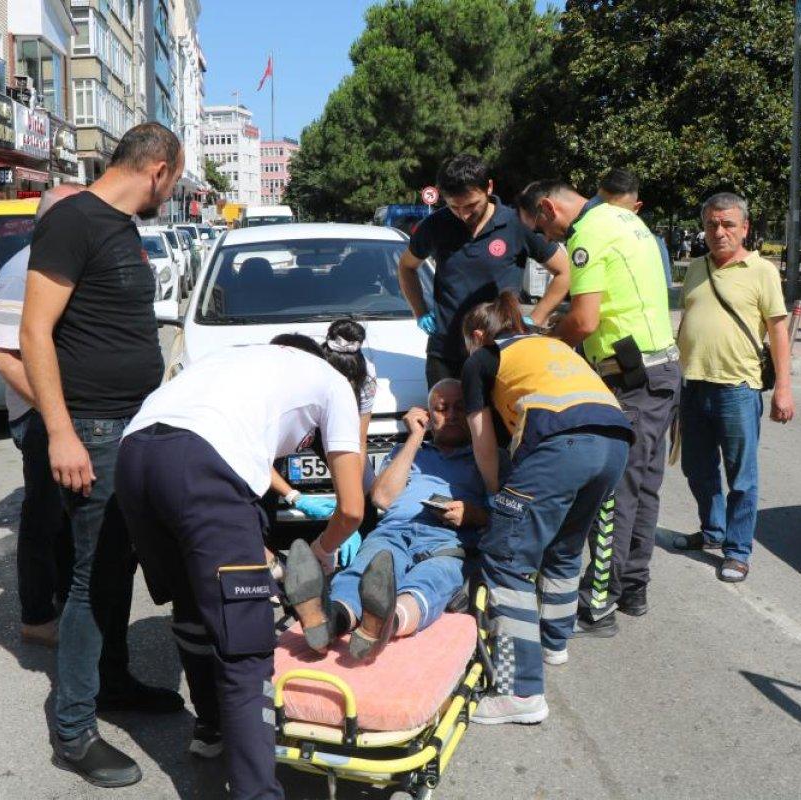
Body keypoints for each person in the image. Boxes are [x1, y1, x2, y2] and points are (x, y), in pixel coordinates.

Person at [115, 337, 366, 800]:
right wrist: (323, 551)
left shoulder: (235, 359)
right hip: (201, 469)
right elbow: (352, 508)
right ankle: (256, 793)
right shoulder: (335, 382)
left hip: (134, 456)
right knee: (246, 648)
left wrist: (290, 497)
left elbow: (219, 437)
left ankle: (211, 729)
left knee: (192, 604)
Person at [21, 123, 186, 787]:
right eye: (174, 181)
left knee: (117, 564)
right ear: (161, 169)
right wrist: (59, 432)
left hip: (131, 423)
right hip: (89, 427)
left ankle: (113, 682)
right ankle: (74, 730)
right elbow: (34, 333)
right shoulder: (73, 220)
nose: (171, 191)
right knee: (91, 578)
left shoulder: (120, 226)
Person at [459, 294, 631, 725]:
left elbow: (482, 441)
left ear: (477, 335)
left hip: (563, 444)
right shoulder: (552, 345)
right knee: (566, 547)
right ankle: (555, 643)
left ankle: (520, 692)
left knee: (506, 557)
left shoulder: (483, 359)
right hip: (614, 442)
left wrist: (499, 494)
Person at [517, 178, 679, 631]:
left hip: (630, 379)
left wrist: (547, 347)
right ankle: (632, 588)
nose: (550, 241)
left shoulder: (588, 232)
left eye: (544, 231)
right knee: (644, 487)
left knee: (613, 492)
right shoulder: (626, 219)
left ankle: (598, 603)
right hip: (659, 371)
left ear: (548, 208)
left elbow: (585, 319)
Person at [283, 378, 496, 661]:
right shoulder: (406, 452)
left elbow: (503, 514)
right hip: (394, 531)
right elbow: (382, 498)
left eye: (461, 407)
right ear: (428, 414)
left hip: (448, 540)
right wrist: (415, 437)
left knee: (433, 578)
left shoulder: (488, 457)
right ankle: (331, 621)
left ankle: (384, 624)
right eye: (442, 408)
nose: (453, 415)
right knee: (365, 571)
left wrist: (473, 514)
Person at [672, 192, 795, 582]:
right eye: (712, 224)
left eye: (727, 224)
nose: (719, 231)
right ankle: (712, 530)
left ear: (744, 228)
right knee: (696, 467)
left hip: (737, 389)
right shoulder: (695, 267)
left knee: (741, 475)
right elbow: (685, 322)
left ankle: (737, 551)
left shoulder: (762, 271)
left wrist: (783, 388)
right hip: (694, 384)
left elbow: (778, 332)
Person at [0, 183, 84, 647]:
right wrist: (56, 413)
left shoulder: (61, 263)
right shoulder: (20, 271)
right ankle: (36, 615)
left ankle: (65, 599)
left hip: (64, 413)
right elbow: (4, 355)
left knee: (66, 516)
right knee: (44, 516)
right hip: (40, 416)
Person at [396, 154, 571, 387]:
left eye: (471, 205)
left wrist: (535, 318)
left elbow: (564, 272)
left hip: (501, 351)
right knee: (446, 422)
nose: (464, 214)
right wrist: (420, 312)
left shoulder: (516, 223)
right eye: (454, 207)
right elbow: (407, 267)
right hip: (447, 352)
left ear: (488, 187)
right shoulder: (435, 225)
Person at [265, 319, 374, 566]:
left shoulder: (368, 380)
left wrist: (350, 507)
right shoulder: (303, 380)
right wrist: (294, 496)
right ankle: (268, 557)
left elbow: (357, 442)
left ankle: (364, 553)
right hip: (306, 423)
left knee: (363, 489)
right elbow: (259, 462)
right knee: (263, 493)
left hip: (335, 428)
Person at [597, 168, 672, 287]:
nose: (609, 216)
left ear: (636, 207)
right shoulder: (591, 237)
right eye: (602, 207)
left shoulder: (655, 244)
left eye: (619, 211)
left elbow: (666, 291)